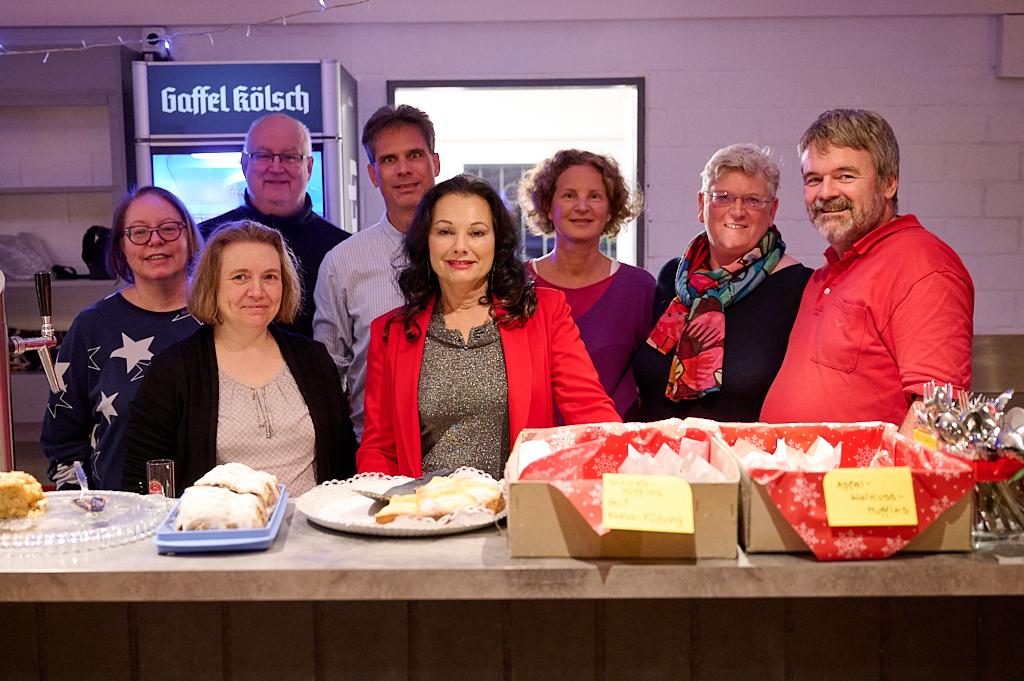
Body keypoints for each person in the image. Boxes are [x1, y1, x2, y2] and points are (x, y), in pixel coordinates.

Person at [357, 174, 620, 480]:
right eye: (444, 232)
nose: (460, 246)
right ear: (425, 240)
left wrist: (625, 471)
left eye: (477, 233)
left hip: (514, 515)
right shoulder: (391, 332)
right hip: (423, 516)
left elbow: (593, 415)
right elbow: (379, 449)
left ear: (497, 242)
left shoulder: (545, 314)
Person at [761, 109, 974, 425]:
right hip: (798, 471)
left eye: (845, 176)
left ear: (889, 184)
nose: (826, 192)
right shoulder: (826, 274)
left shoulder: (923, 266)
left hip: (861, 476)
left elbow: (936, 412)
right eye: (814, 179)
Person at [123, 221, 356, 496]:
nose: (257, 292)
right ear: (212, 284)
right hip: (216, 534)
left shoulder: (314, 360)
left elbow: (344, 465)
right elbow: (141, 478)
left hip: (310, 533)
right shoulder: (173, 370)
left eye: (270, 277)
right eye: (240, 277)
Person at [633, 144, 811, 422]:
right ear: (701, 205)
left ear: (773, 210)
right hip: (654, 458)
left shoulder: (799, 287)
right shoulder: (673, 278)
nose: (737, 211)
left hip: (741, 461)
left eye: (753, 200)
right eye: (723, 197)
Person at [41, 186, 203, 490]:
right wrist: (83, 508)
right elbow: (62, 437)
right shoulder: (92, 326)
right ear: (121, 247)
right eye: (139, 232)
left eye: (169, 229)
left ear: (189, 237)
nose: (155, 240)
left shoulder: (223, 316)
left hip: (216, 514)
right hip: (116, 515)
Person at [314, 104, 440, 441]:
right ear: (372, 175)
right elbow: (329, 370)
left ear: (435, 163)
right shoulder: (343, 262)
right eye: (388, 160)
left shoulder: (474, 252)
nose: (403, 169)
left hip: (471, 445)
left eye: (414, 155)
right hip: (375, 449)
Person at [517, 149, 654, 419]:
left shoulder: (639, 289)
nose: (582, 207)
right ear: (547, 205)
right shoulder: (515, 285)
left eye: (595, 196)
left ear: (610, 208)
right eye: (569, 195)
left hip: (612, 447)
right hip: (529, 447)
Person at [200, 113, 348, 337]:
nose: (276, 167)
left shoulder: (341, 249)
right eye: (264, 156)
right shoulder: (204, 239)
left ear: (309, 167)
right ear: (244, 163)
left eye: (289, 157)